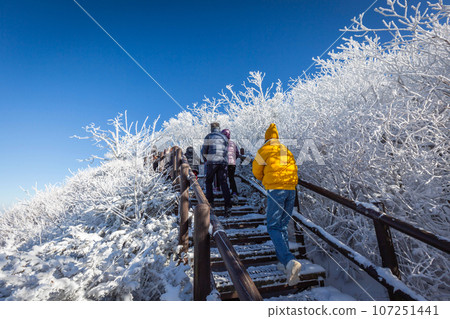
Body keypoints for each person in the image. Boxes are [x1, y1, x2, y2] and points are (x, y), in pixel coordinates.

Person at [252, 123, 301, 286]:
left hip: (276, 190)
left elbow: (256, 170)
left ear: (266, 138)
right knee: (281, 226)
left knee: (272, 227)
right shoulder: (286, 149)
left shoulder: (263, 149)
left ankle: (289, 261)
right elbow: (294, 168)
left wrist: (264, 178)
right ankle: (284, 263)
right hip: (291, 190)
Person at [201, 122, 232, 217]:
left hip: (212, 161)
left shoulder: (209, 136)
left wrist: (205, 158)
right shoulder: (224, 138)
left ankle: (211, 203)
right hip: (223, 162)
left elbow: (204, 150)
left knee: (208, 181)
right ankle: (228, 207)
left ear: (211, 128)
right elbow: (226, 151)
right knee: (224, 183)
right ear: (219, 128)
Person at [221, 129, 241, 201]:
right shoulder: (233, 143)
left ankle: (225, 193)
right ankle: (234, 192)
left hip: (224, 163)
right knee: (231, 178)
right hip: (232, 163)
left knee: (224, 178)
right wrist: (233, 158)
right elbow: (237, 153)